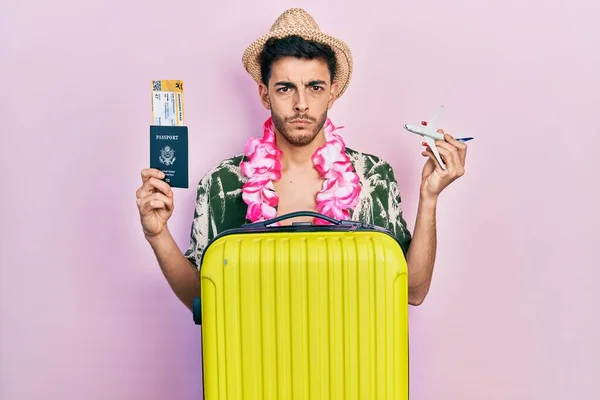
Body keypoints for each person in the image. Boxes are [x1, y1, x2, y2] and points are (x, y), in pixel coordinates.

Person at [135, 8, 467, 311]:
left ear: (332, 92)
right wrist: (158, 235)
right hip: (254, 367)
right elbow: (203, 298)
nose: (301, 104)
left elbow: (412, 291)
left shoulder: (373, 177)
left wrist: (429, 197)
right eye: (285, 88)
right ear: (264, 94)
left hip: (353, 366)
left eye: (315, 87)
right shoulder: (222, 183)